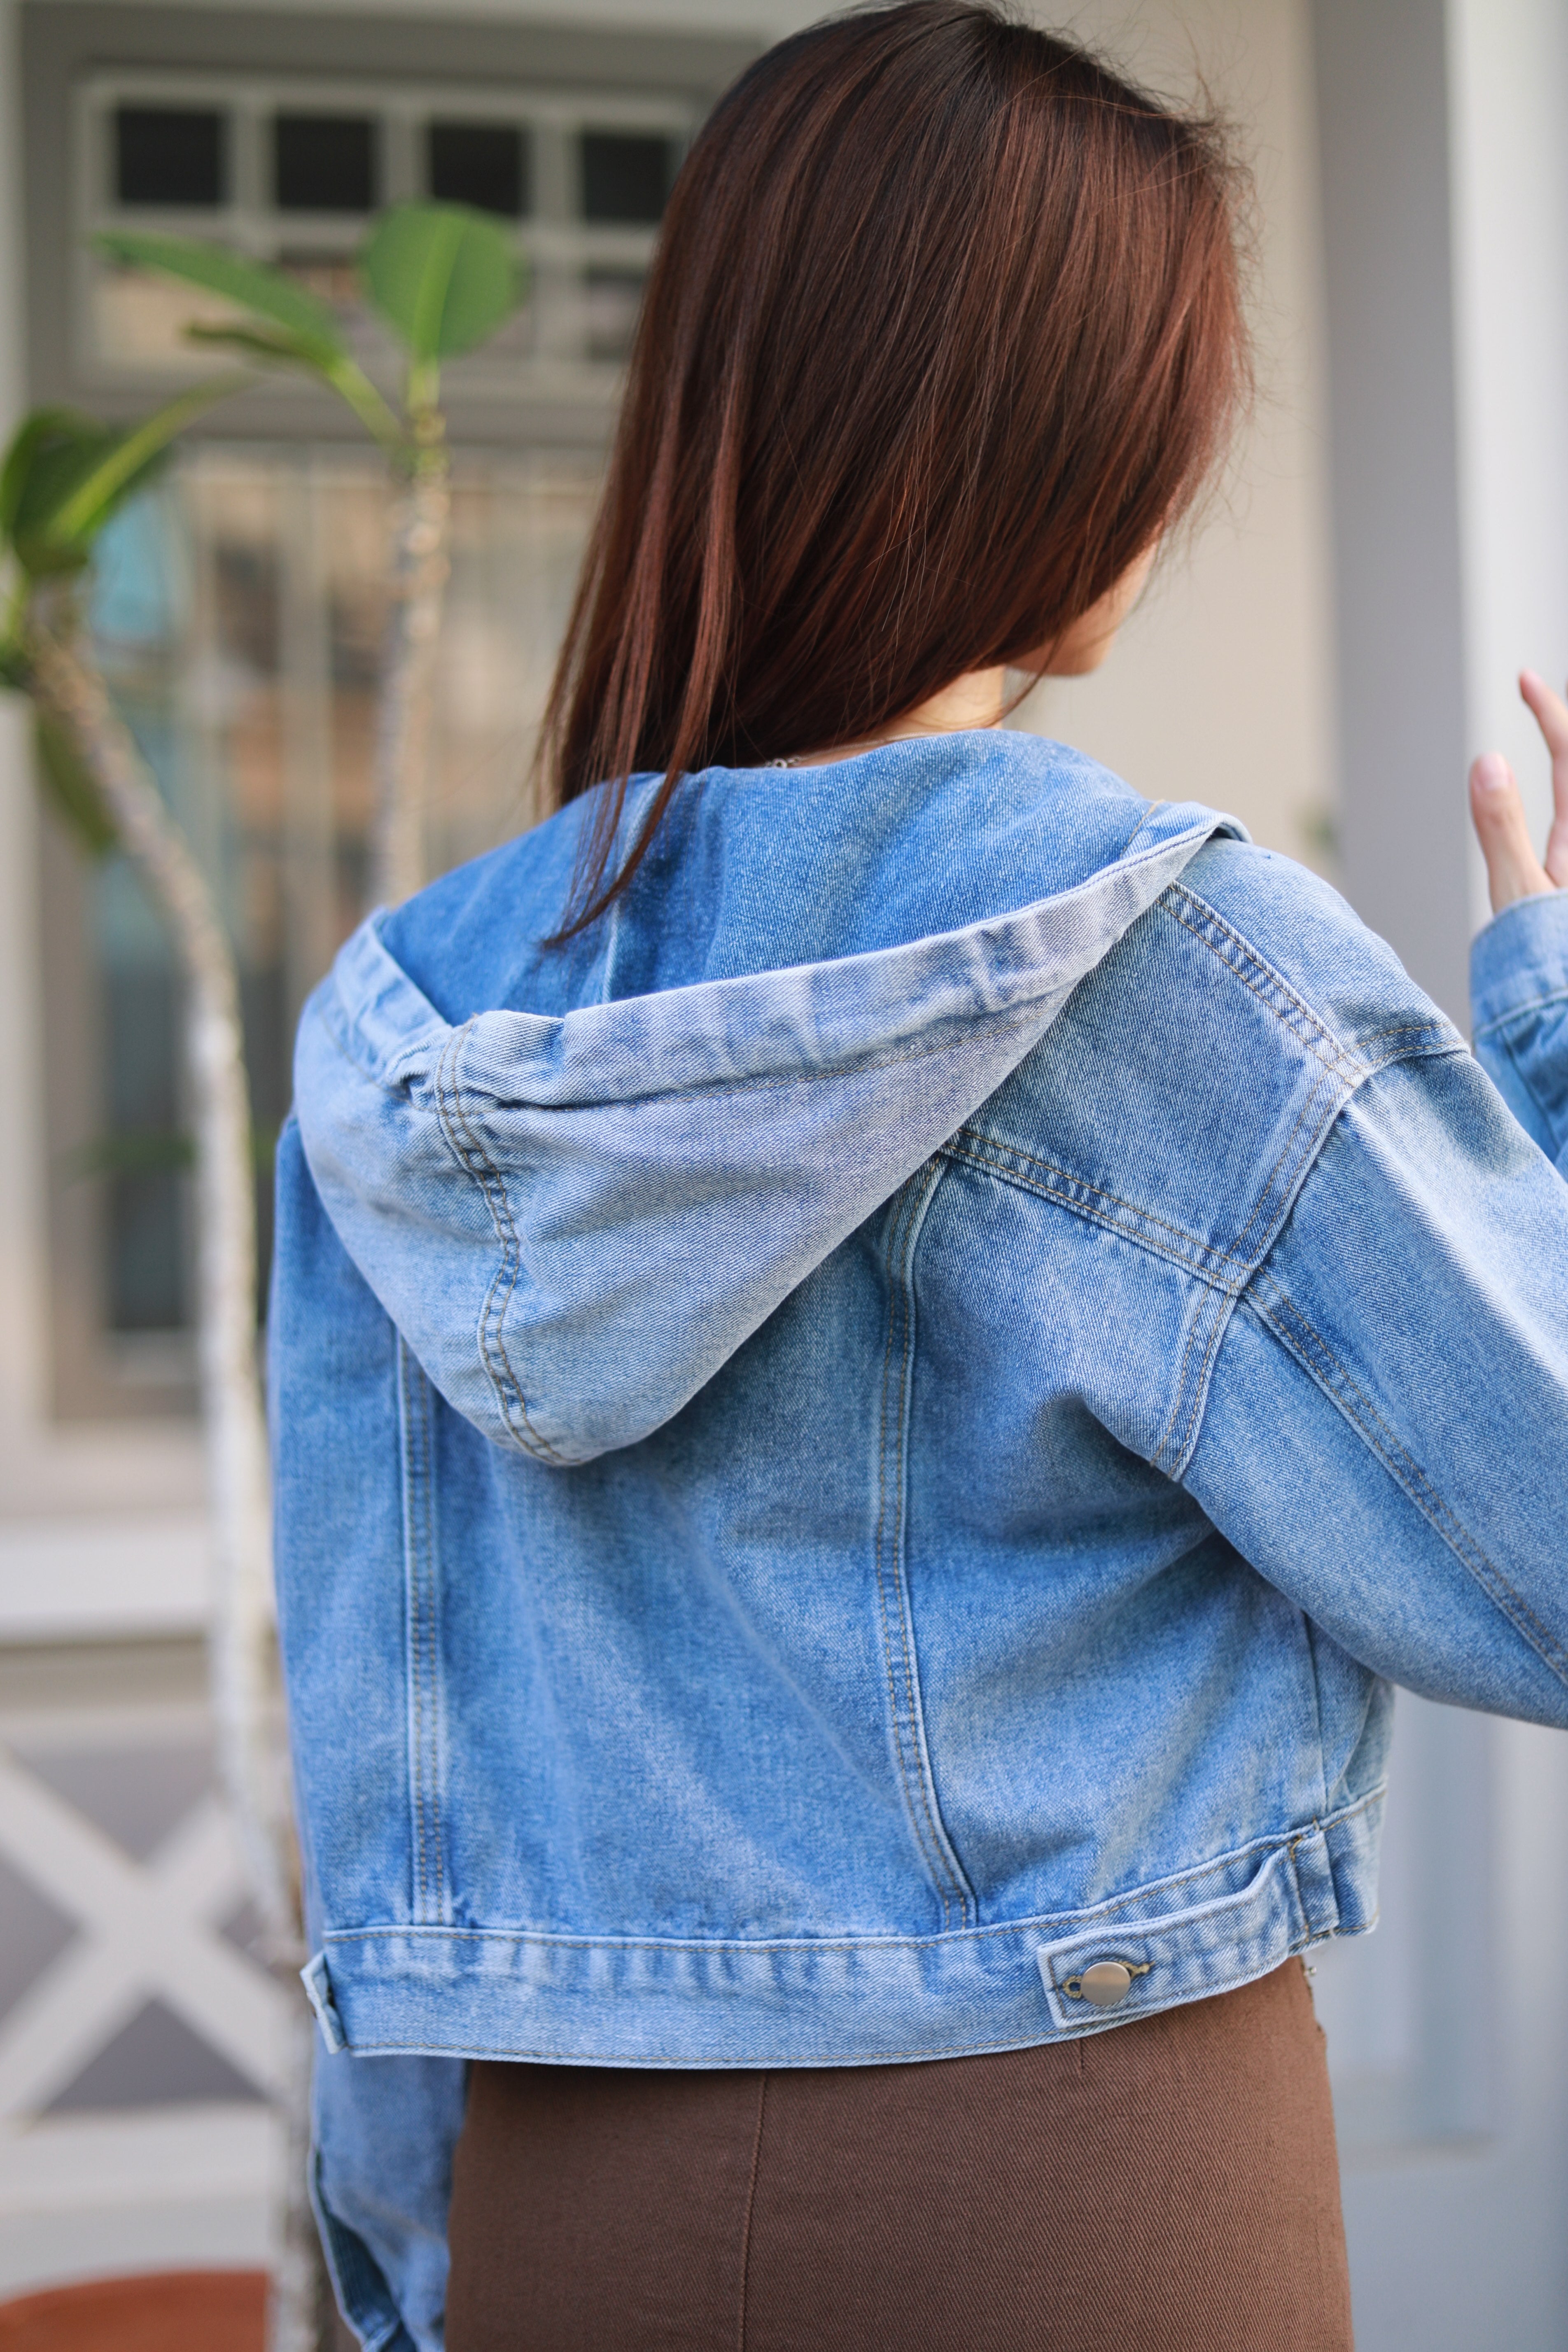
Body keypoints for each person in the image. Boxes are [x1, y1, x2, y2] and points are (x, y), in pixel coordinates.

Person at [269, 6, 1568, 2346]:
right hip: (1079, 2186)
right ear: (1059, 445)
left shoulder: (416, 1016)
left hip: (576, 2198)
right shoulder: (1169, 962)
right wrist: (1551, 1037)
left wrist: (404, 2267)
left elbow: (383, 1733)